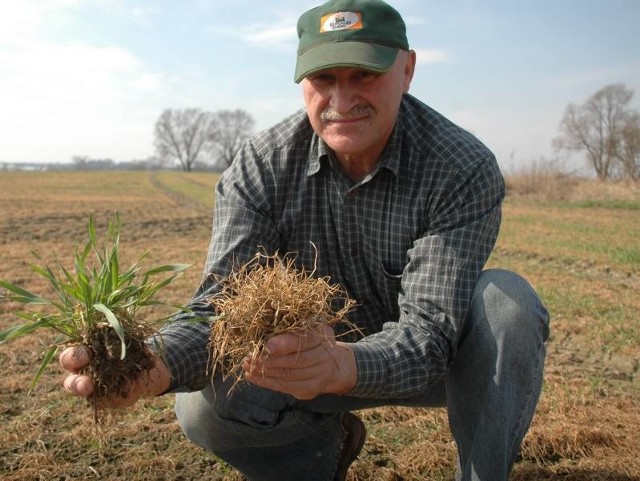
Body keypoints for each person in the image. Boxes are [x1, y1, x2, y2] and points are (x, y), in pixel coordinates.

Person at [60, 0, 550, 479]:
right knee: (201, 405)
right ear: (302, 82)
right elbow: (219, 306)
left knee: (508, 305)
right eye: (323, 79)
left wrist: (344, 363)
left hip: (434, 367)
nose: (341, 101)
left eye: (364, 75)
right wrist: (154, 363)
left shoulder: (460, 167)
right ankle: (320, 458)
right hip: (301, 366)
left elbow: (429, 335)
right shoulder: (261, 165)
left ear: (407, 70)